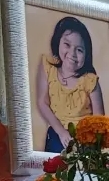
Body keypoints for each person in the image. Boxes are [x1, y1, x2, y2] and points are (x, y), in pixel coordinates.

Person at [36, 16, 105, 152]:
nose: (72, 54)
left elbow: (99, 121)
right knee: (53, 161)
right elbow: (42, 102)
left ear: (86, 54)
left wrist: (85, 142)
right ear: (58, 42)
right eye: (67, 45)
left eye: (79, 50)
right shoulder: (48, 67)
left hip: (85, 138)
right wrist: (61, 132)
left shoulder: (90, 81)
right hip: (57, 132)